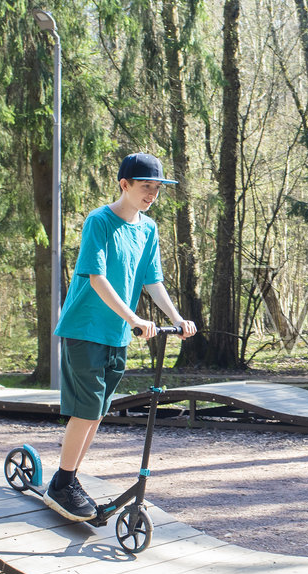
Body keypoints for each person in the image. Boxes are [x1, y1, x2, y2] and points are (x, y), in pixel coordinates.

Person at [44, 152, 198, 521]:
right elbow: (97, 278)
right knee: (87, 407)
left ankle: (69, 478)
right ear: (124, 184)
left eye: (157, 189)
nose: (152, 194)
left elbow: (152, 280)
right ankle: (62, 482)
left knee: (97, 411)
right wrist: (134, 317)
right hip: (85, 328)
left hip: (117, 333)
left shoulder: (148, 229)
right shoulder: (99, 221)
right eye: (146, 187)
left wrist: (177, 319)